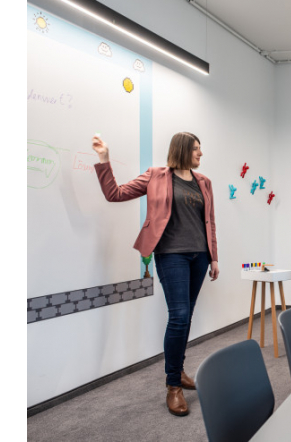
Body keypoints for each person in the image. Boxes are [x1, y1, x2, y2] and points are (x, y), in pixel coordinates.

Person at [92, 132, 219, 417]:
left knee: (187, 314)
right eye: (196, 149)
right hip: (170, 254)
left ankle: (179, 368)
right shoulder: (156, 176)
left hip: (199, 256)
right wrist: (104, 159)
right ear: (183, 150)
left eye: (201, 149)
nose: (201, 154)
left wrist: (214, 257)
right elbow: (115, 194)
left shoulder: (204, 183)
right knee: (179, 316)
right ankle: (173, 385)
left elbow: (210, 222)